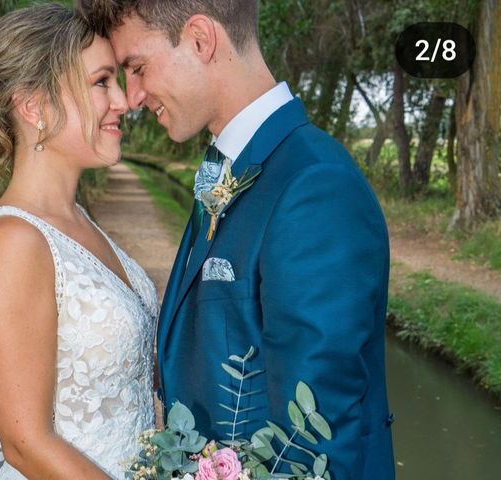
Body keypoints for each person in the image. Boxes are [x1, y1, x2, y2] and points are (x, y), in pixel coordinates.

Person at [80, 1, 396, 478]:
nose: (135, 95)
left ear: (201, 39)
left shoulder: (314, 186)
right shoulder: (227, 168)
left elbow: (317, 439)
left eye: (138, 68)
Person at [0, 4, 158, 479]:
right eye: (101, 82)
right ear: (34, 106)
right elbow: (26, 444)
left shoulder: (78, 222)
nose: (124, 102)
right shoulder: (11, 243)